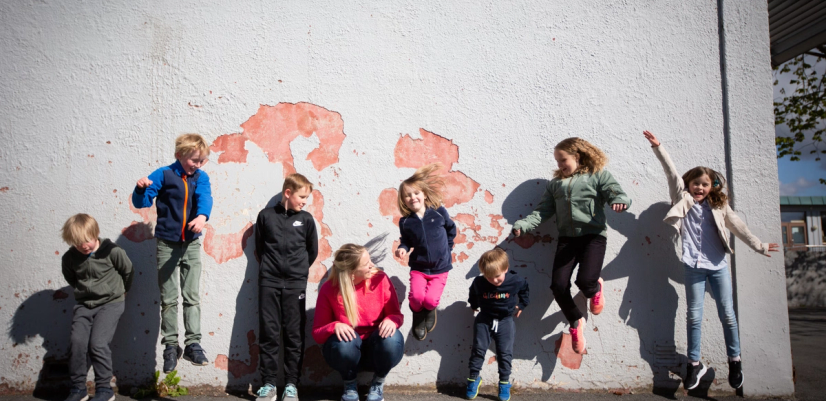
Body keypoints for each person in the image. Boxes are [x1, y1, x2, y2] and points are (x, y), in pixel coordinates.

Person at [643, 130, 779, 390]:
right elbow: (671, 173)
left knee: (727, 314)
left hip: (718, 267)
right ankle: (693, 365)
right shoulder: (682, 199)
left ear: (712, 187)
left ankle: (735, 360)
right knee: (694, 317)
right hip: (693, 267)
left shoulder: (719, 207)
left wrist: (759, 246)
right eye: (696, 183)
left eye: (705, 184)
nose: (700, 188)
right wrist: (659, 148)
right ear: (689, 184)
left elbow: (739, 227)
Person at [512, 137, 631, 354]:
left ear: (577, 156)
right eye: (557, 161)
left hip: (593, 237)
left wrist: (619, 200)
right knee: (558, 285)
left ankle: (595, 287)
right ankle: (576, 321)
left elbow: (615, 192)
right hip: (567, 239)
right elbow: (542, 211)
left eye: (563, 160)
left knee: (585, 281)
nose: (560, 165)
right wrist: (523, 225)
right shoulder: (555, 184)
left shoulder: (598, 175)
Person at [132, 133, 213, 372]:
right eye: (194, 160)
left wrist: (201, 216)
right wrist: (140, 189)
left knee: (192, 297)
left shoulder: (201, 177)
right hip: (167, 245)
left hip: (191, 244)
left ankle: (193, 344)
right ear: (180, 155)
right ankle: (170, 345)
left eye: (202, 160)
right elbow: (142, 202)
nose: (198, 165)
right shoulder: (164, 174)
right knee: (169, 299)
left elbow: (204, 198)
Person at [253, 173, 318, 401]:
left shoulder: (307, 220)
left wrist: (297, 271)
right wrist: (272, 270)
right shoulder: (265, 217)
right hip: (269, 282)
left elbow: (312, 252)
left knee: (294, 334)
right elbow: (259, 249)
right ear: (288, 193)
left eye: (307, 198)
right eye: (302, 196)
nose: (304, 202)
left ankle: (292, 385)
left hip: (295, 284)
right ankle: (269, 385)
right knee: (269, 333)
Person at [313, 244, 404, 401]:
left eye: (370, 260)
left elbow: (396, 315)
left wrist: (391, 320)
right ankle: (349, 385)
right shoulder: (329, 289)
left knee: (392, 339)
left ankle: (378, 383)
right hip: (349, 351)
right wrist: (334, 326)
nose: (372, 266)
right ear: (352, 273)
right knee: (342, 343)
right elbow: (317, 333)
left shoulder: (380, 279)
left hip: (377, 348)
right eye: (366, 264)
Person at [61, 214, 133, 401]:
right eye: (78, 243)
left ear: (96, 234)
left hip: (111, 304)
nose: (84, 246)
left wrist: (122, 292)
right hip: (84, 305)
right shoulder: (70, 258)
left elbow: (128, 271)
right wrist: (83, 291)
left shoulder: (112, 251)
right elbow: (71, 277)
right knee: (77, 343)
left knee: (98, 344)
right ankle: (78, 388)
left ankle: (104, 389)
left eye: (87, 241)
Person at [393, 163, 457, 340]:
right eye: (407, 195)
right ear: (403, 200)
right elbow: (406, 241)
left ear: (424, 194)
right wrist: (402, 249)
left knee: (430, 301)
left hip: (440, 268)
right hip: (419, 268)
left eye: (416, 193)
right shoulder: (406, 222)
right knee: (416, 299)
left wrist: (447, 248)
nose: (413, 197)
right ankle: (418, 316)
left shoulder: (438, 212)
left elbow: (451, 230)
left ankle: (429, 311)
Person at [466, 248, 529, 401]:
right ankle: (474, 379)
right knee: (478, 349)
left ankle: (504, 383)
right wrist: (473, 304)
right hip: (484, 319)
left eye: (497, 276)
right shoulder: (479, 282)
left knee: (504, 352)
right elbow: (473, 292)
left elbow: (524, 289)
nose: (494, 280)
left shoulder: (515, 280)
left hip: (505, 320)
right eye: (489, 277)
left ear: (505, 269)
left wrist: (522, 305)